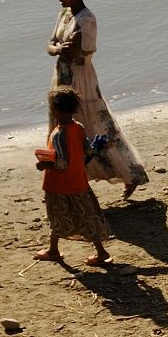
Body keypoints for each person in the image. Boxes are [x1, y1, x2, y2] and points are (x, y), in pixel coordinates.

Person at [47, 0, 149, 200]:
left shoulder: (86, 19)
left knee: (96, 125)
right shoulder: (64, 14)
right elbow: (51, 44)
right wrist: (58, 50)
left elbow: (84, 53)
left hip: (81, 79)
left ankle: (130, 173)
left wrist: (68, 49)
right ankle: (74, 179)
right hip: (61, 76)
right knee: (62, 128)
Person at [34, 86, 113, 266]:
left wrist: (44, 164)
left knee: (57, 216)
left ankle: (54, 251)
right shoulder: (78, 128)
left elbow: (62, 164)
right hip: (78, 181)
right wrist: (98, 146)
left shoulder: (59, 134)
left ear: (56, 110)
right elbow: (88, 150)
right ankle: (99, 252)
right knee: (87, 216)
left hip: (59, 185)